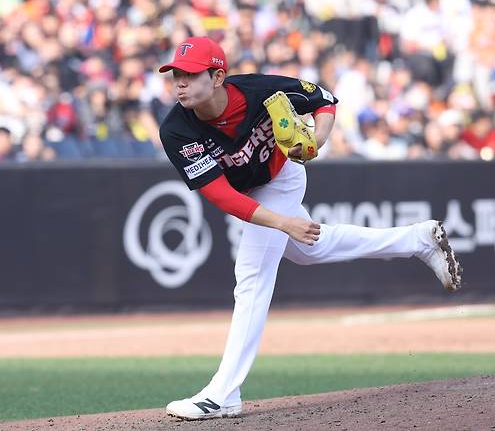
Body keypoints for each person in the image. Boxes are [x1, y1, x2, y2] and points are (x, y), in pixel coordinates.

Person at [157, 36, 463, 420]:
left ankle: (223, 393)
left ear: (218, 77)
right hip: (251, 192)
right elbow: (222, 196)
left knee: (251, 274)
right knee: (312, 249)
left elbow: (324, 100)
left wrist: (316, 139)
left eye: (190, 74)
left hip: (280, 178)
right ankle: (418, 239)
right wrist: (284, 223)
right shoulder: (176, 129)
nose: (180, 83)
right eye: (176, 75)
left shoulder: (259, 90)